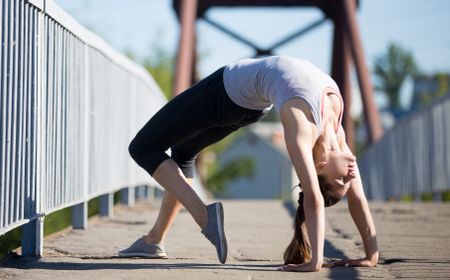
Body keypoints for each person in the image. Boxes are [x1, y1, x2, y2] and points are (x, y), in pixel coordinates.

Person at [118, 56, 379, 271]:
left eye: (341, 180)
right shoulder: (337, 134)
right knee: (184, 153)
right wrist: (371, 254)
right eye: (347, 180)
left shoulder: (302, 128)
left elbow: (313, 197)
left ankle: (203, 215)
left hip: (226, 92)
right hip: (250, 107)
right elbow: (357, 199)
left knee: (142, 147)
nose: (351, 175)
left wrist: (314, 262)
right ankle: (154, 241)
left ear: (319, 167)